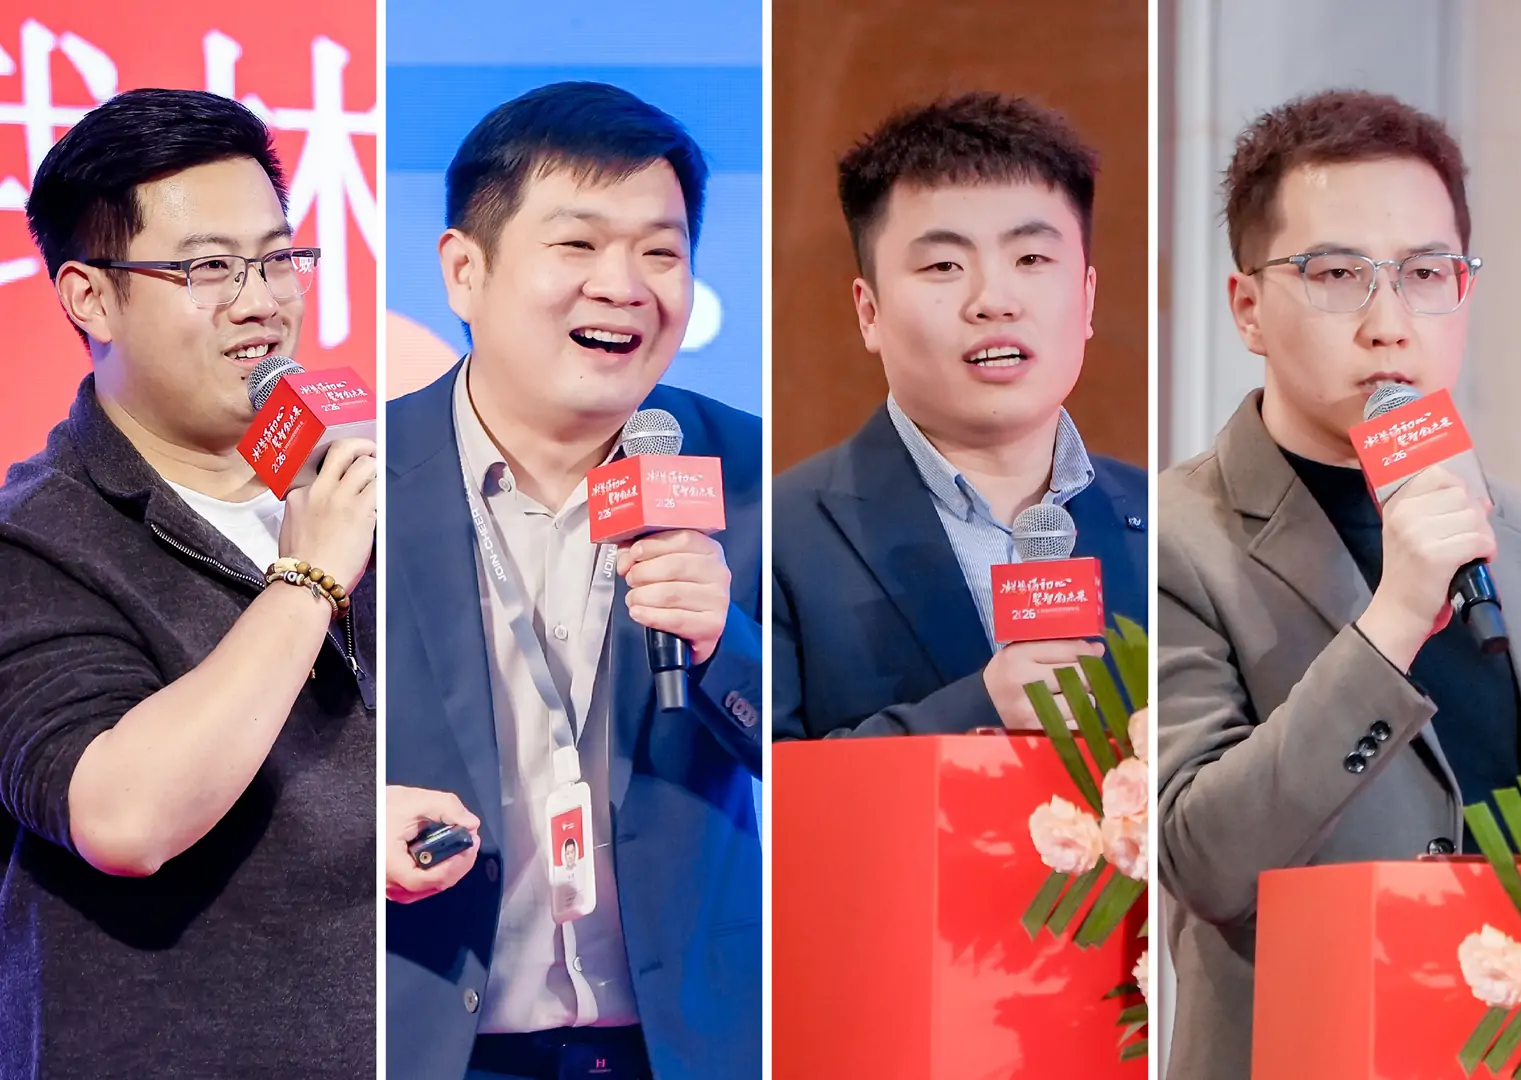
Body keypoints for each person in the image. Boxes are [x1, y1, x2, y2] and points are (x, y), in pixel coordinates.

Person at [382, 83, 762, 1080]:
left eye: (661, 252)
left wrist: (726, 646)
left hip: (680, 1052)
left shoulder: (752, 475)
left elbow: (831, 749)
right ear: (464, 271)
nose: (624, 286)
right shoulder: (358, 486)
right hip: (428, 1041)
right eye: (579, 244)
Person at [1156, 90, 1521, 1080]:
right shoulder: (1173, 538)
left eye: (1425, 274)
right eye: (1336, 275)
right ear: (1247, 307)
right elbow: (1204, 859)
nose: (1388, 323)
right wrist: (1395, 619)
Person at [0, 89, 376, 1076]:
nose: (261, 301)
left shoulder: (352, 482)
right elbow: (124, 818)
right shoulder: (34, 540)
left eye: (278, 257)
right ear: (90, 297)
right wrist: (306, 581)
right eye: (209, 268)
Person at [771, 92, 1149, 740]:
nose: (993, 300)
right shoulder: (780, 537)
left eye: (1031, 259)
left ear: (1087, 298)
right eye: (944, 265)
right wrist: (977, 709)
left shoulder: (1163, 525)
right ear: (869, 313)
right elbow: (767, 785)